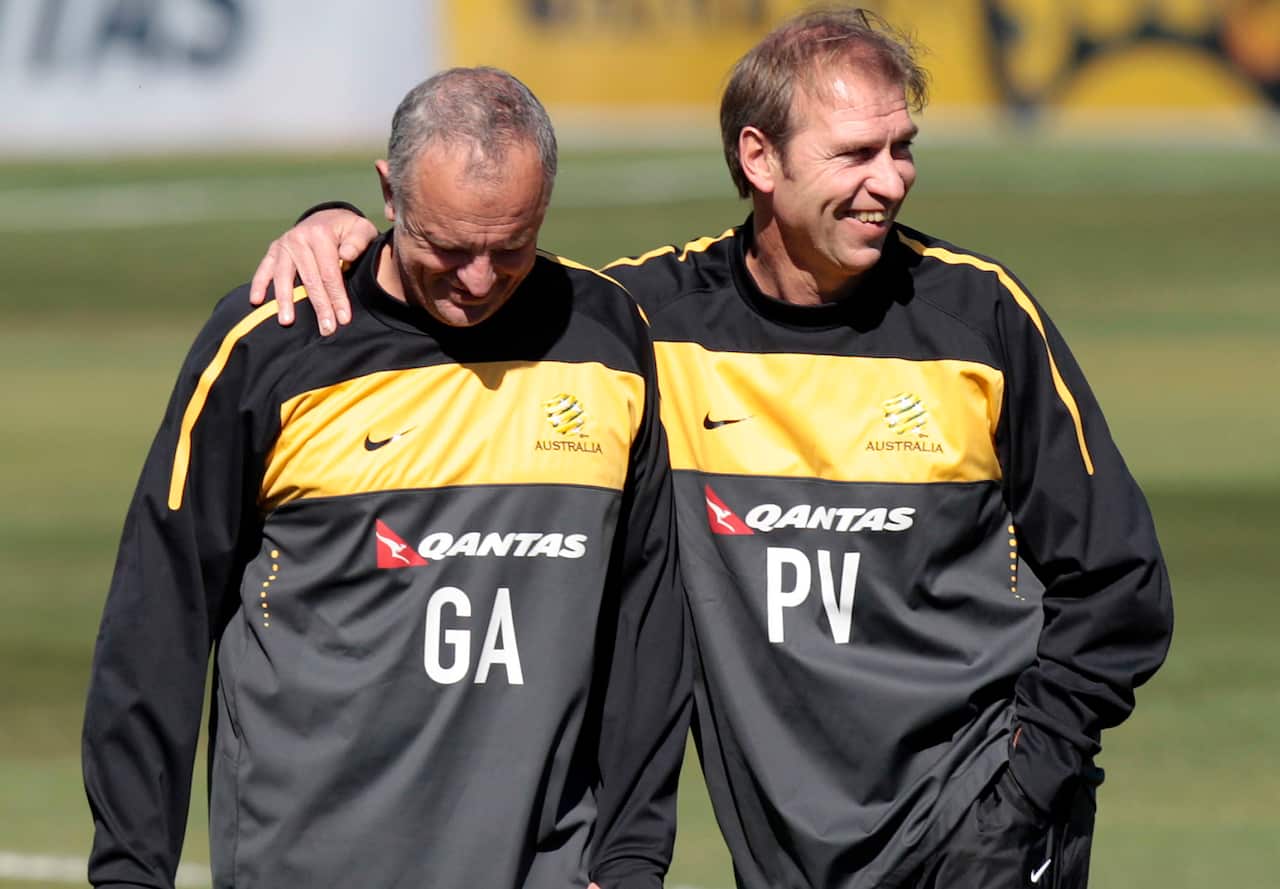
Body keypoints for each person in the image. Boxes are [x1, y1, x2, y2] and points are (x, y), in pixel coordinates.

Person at [247, 9, 1174, 888]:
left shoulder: (979, 317)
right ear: (759, 157)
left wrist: (1023, 785)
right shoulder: (644, 326)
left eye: (903, 149)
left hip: (983, 828)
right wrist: (338, 225)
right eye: (856, 153)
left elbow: (1121, 583)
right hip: (786, 848)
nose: (891, 179)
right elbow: (458, 291)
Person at [82, 67, 691, 889]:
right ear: (388, 196)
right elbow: (158, 621)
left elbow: (647, 616)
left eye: (508, 246)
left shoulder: (608, 337)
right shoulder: (274, 346)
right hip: (307, 860)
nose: (478, 280)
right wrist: (130, 871)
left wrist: (630, 858)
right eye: (448, 246)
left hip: (549, 862)